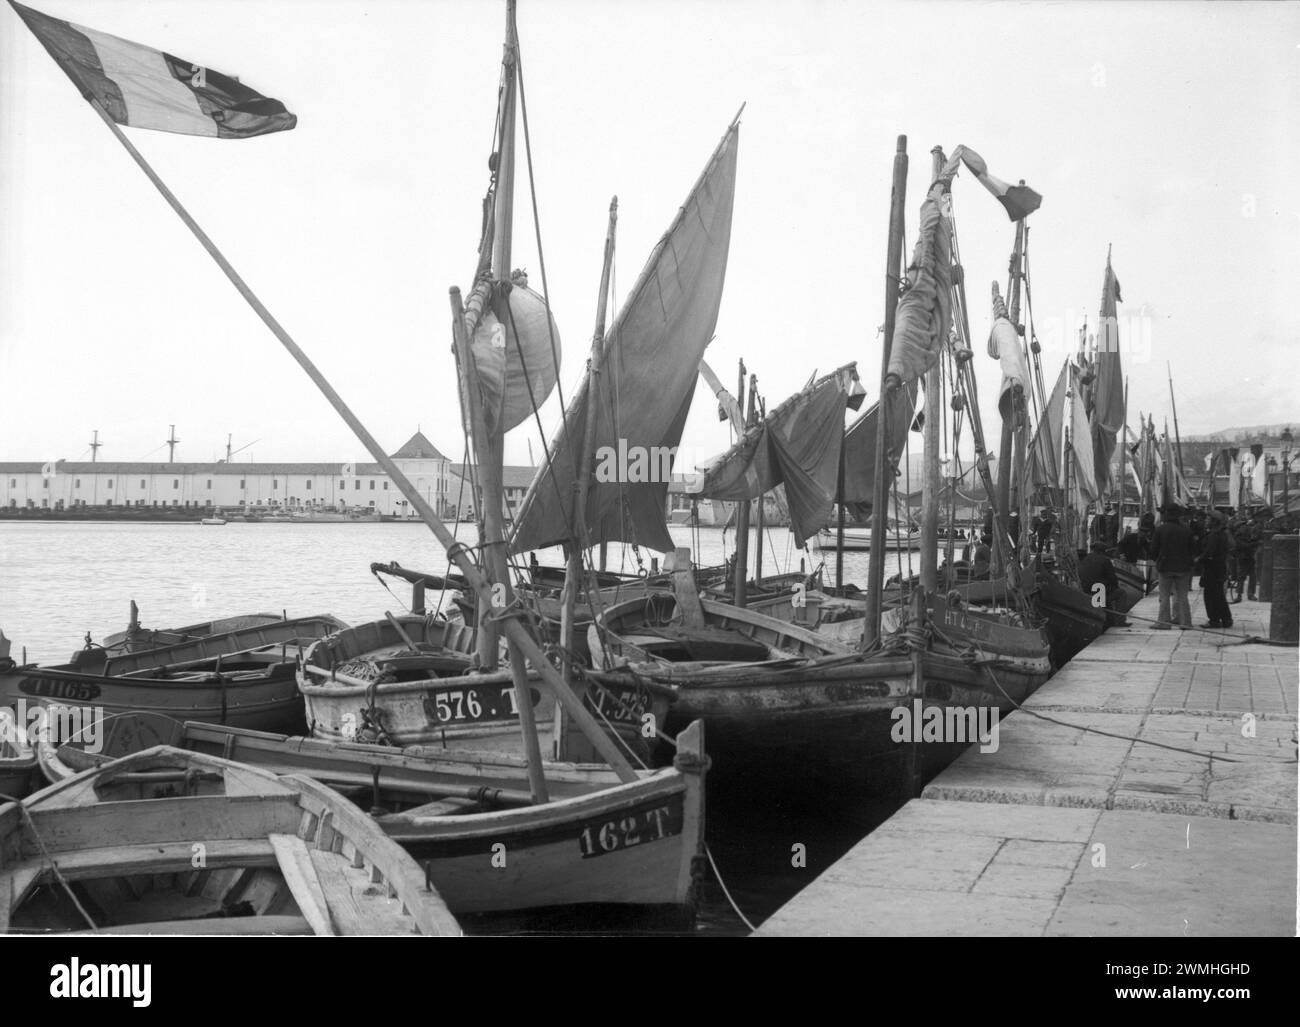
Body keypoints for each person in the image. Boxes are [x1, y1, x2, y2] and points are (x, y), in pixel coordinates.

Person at [1149, 504, 1194, 629]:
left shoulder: (1160, 529)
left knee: (1164, 596)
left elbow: (1153, 550)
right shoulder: (1186, 530)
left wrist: (1157, 560)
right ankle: (1185, 622)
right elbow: (1193, 549)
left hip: (1165, 567)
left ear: (1167, 514)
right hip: (1183, 568)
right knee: (1182, 596)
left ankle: (1163, 622)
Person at [1077, 540, 1131, 627]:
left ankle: (1110, 620)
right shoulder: (1105, 560)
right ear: (1103, 551)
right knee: (1121, 593)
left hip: (1086, 591)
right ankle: (1120, 621)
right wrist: (1115, 587)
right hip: (1100, 593)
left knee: (1107, 593)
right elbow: (1113, 579)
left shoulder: (1084, 560)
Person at [1199, 511, 1234, 628]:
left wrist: (1198, 560)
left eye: (1208, 519)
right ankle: (1226, 619)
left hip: (1212, 569)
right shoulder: (1222, 534)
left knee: (1210, 596)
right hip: (1219, 568)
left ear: (1214, 522)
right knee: (1218, 595)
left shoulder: (1214, 535)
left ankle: (1214, 620)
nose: (1205, 521)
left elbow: (1209, 552)